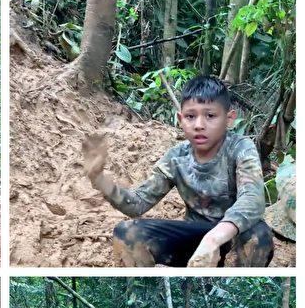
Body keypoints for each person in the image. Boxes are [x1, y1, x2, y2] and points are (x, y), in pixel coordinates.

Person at [86, 76, 273, 267]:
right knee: (127, 233)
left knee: (259, 236)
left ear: (229, 119)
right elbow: (138, 203)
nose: (199, 125)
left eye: (210, 116)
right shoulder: (177, 157)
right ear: (180, 119)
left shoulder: (240, 148)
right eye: (191, 116)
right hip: (193, 238)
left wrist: (214, 239)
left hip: (234, 237)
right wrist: (101, 180)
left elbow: (253, 199)